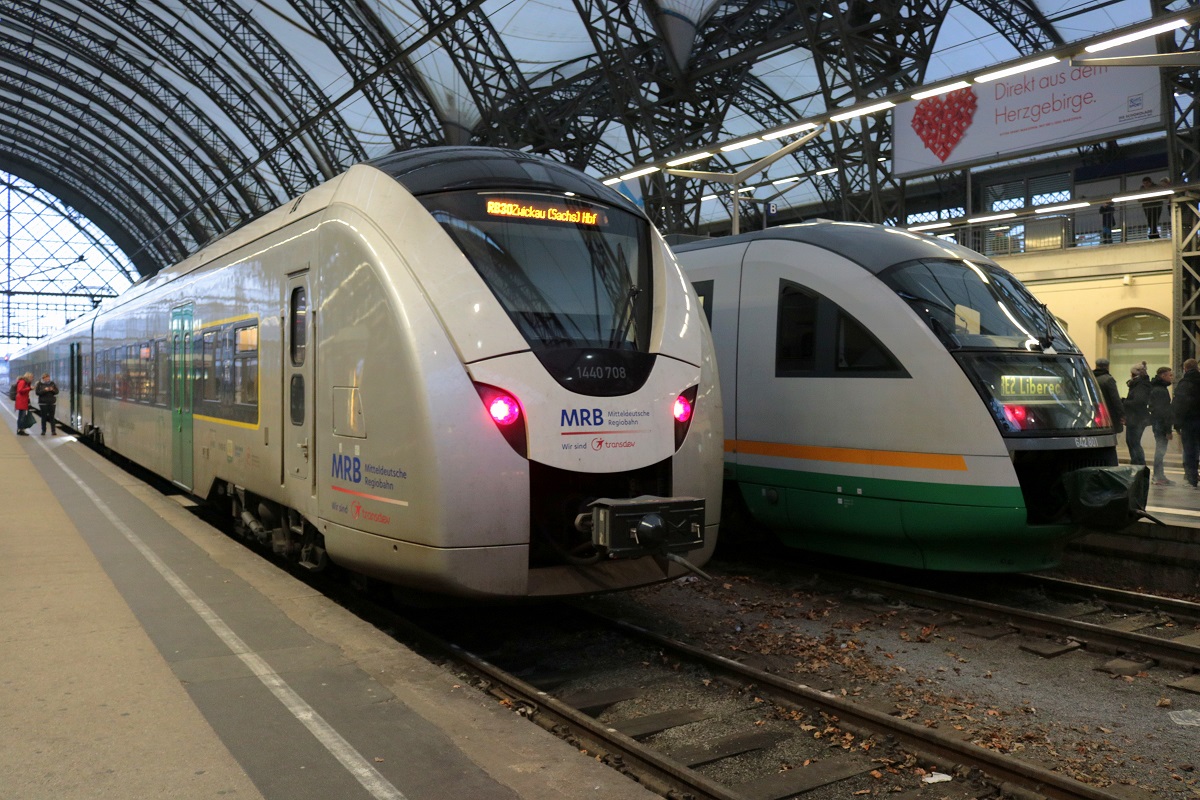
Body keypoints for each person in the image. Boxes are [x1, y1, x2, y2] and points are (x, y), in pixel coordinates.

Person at [1174, 358, 1200, 487]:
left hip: (1189, 422)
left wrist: (1177, 424)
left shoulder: (1184, 384)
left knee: (1190, 450)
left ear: (1185, 369)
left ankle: (1192, 479)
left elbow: (1179, 405)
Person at [1148, 366, 1175, 485]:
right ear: (1163, 376)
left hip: (1157, 422)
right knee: (1160, 450)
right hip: (1161, 424)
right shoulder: (1161, 391)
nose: (1172, 377)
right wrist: (1168, 430)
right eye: (1170, 375)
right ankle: (1158, 476)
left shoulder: (1156, 388)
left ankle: (1159, 475)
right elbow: (1164, 411)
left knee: (1160, 450)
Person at [1123, 362, 1151, 465]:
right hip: (1135, 418)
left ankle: (1138, 465)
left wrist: (1124, 402)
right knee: (1132, 442)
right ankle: (1137, 465)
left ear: (1134, 374)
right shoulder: (1139, 384)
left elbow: (1138, 401)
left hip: (1137, 418)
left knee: (1133, 443)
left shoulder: (1140, 385)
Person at [1093, 357, 1123, 434]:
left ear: (1096, 366)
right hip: (1108, 415)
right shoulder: (1108, 380)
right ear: (1107, 367)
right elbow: (1115, 399)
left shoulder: (1091, 378)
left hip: (1094, 413)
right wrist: (1122, 414)